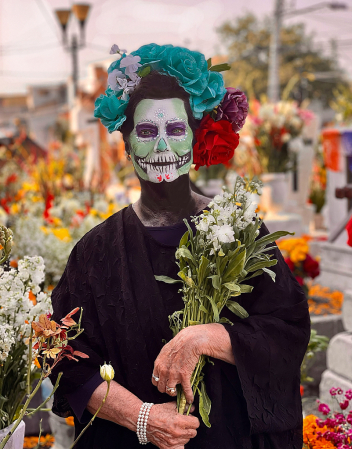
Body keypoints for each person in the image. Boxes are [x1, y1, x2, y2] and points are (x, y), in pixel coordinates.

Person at [50, 43, 310, 449]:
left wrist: (205, 337)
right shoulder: (95, 251)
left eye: (175, 130)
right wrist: (142, 418)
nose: (162, 147)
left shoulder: (239, 231)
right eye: (147, 132)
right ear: (126, 144)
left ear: (194, 140)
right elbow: (67, 360)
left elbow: (287, 331)